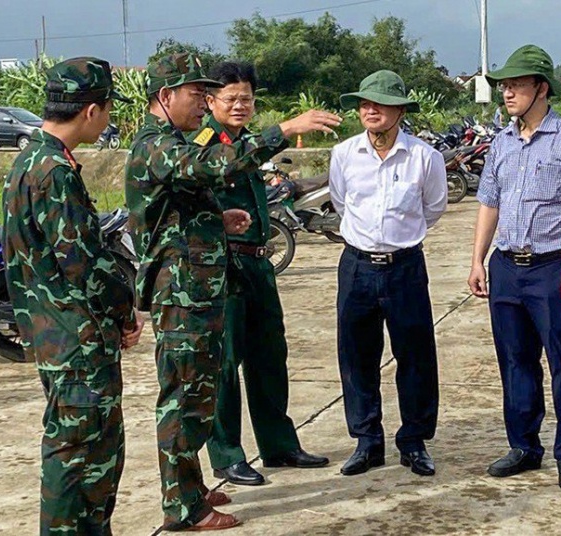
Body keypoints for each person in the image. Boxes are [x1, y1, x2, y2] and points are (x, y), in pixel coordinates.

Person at [125, 52, 340, 532]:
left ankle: (194, 488)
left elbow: (174, 212)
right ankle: (189, 500)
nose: (204, 102)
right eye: (199, 94)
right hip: (186, 290)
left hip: (213, 275)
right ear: (167, 96)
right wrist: (283, 129)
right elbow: (210, 168)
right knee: (193, 392)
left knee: (220, 380)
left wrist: (215, 221)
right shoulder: (163, 144)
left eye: (212, 93)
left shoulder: (171, 143)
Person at [2, 57, 143, 535]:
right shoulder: (53, 171)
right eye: (107, 110)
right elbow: (85, 264)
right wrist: (126, 308)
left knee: (85, 452)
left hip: (55, 334)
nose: (107, 120)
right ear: (91, 111)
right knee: (80, 455)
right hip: (75, 338)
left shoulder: (30, 160)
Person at [467, 45, 561, 491]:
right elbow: (489, 202)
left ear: (541, 88)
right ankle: (524, 445)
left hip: (553, 267)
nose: (506, 92)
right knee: (515, 360)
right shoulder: (501, 142)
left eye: (516, 84)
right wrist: (478, 260)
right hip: (506, 265)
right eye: (503, 85)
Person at [189, 61, 329, 487]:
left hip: (257, 262)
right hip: (224, 264)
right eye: (230, 98)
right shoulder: (204, 143)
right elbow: (222, 164)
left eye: (246, 98)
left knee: (270, 356)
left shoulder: (245, 139)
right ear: (210, 101)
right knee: (226, 362)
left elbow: (252, 153)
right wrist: (286, 127)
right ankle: (227, 453)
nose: (240, 105)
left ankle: (278, 443)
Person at [330, 70, 447, 478]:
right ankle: (367, 441)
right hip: (357, 266)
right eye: (364, 102)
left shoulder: (424, 157)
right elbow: (341, 204)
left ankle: (413, 441)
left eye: (379, 102)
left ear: (399, 110)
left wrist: (398, 239)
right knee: (357, 355)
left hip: (405, 268)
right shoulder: (344, 154)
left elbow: (432, 209)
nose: (370, 109)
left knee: (414, 356)